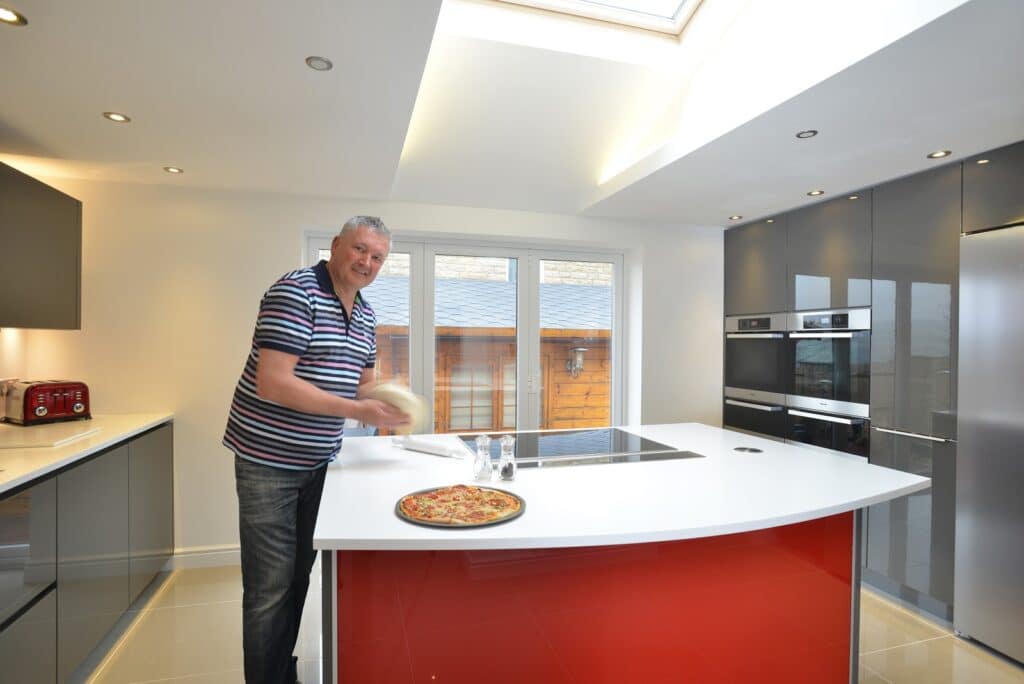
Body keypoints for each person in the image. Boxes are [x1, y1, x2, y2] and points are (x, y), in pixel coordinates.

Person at [223, 216, 408, 683]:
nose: (367, 261)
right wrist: (359, 411)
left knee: (299, 577)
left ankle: (280, 670)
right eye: (359, 249)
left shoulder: (365, 313)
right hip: (268, 460)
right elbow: (273, 382)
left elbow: (364, 383)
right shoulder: (296, 291)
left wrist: (393, 401)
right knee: (270, 588)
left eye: (377, 256)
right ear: (335, 245)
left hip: (320, 461)